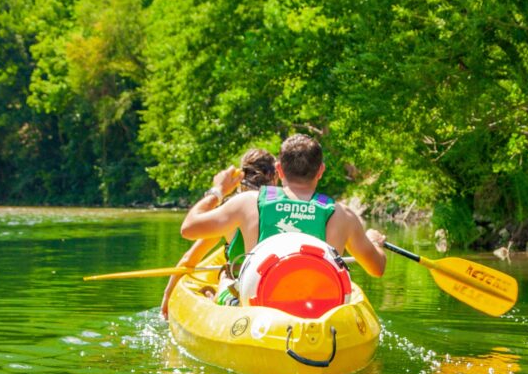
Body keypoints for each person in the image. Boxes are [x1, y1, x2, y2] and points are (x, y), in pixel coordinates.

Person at [179, 134, 387, 291]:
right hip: (321, 309)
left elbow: (188, 229)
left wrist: (218, 191)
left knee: (225, 278)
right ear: (321, 170)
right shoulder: (343, 215)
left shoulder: (247, 202)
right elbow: (377, 269)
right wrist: (375, 242)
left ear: (279, 170)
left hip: (260, 307)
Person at [161, 148, 278, 318]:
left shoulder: (232, 213)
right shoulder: (289, 209)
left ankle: (214, 298)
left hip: (244, 294)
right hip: (277, 289)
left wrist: (167, 296)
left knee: (224, 274)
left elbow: (189, 259)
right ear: (276, 176)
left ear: (240, 177)